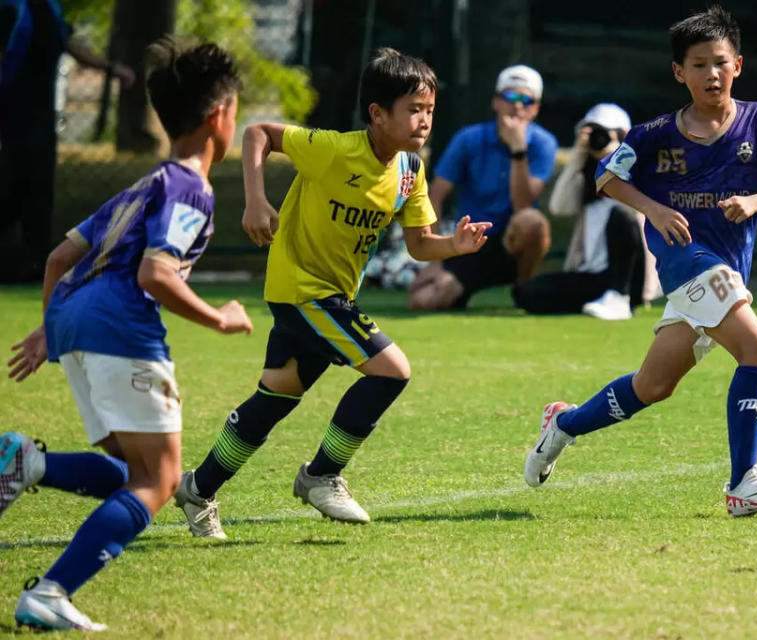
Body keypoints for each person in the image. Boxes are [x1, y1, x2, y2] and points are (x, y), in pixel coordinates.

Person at [173, 48, 490, 537]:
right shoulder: (335, 150)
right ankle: (321, 474)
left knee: (277, 396)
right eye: (413, 109)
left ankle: (199, 486)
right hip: (304, 290)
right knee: (391, 371)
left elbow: (420, 244)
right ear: (377, 114)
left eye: (430, 109)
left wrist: (456, 245)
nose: (425, 120)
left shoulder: (409, 170)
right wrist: (257, 201)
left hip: (330, 295)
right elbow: (259, 133)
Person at [1, 41, 249, 631]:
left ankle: (27, 462)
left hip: (78, 323)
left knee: (131, 472)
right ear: (220, 117)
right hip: (121, 329)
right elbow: (155, 274)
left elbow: (61, 256)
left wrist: (52, 328)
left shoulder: (145, 184)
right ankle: (51, 592)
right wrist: (220, 317)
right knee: (160, 481)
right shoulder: (191, 188)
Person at [524, 6, 757, 517]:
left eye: (720, 62)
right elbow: (606, 177)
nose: (711, 74)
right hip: (686, 265)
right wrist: (654, 209)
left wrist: (755, 201)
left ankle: (563, 425)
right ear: (680, 72)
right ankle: (744, 482)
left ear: (738, 65)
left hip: (724, 272)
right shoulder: (655, 133)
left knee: (651, 386)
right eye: (698, 65)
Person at [0, 0, 135, 283]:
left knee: (38, 191)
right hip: (11, 115)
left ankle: (35, 264)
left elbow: (68, 44)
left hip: (40, 120)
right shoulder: (11, 8)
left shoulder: (49, 8)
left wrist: (111, 69)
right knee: (12, 187)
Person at [408, 64, 557, 310]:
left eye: (526, 100)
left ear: (536, 109)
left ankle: (525, 290)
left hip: (514, 243)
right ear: (496, 102)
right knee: (423, 301)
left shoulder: (543, 143)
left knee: (532, 222)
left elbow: (523, 206)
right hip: (471, 240)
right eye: (510, 96)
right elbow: (434, 196)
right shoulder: (468, 139)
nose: (517, 105)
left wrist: (518, 150)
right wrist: (434, 257)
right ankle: (460, 288)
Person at [512, 103, 661, 320]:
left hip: (628, 278)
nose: (598, 139)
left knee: (620, 216)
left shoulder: (639, 173)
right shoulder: (586, 183)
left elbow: (637, 204)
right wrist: (579, 155)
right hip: (592, 277)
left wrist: (615, 154)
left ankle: (619, 298)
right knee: (524, 293)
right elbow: (559, 207)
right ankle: (594, 302)